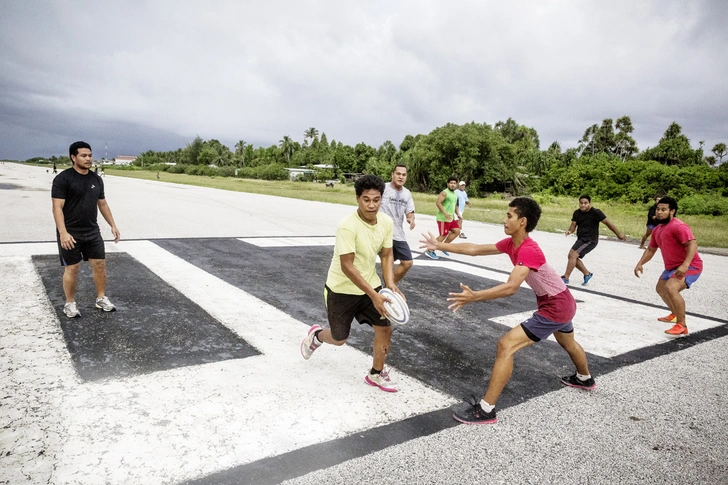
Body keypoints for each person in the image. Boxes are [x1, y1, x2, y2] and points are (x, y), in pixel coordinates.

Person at [420, 197, 595, 424]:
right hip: (562, 301)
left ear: (522, 221)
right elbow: (475, 249)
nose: (504, 219)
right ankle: (584, 378)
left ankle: (486, 410)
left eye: (509, 215)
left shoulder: (529, 249)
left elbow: (511, 287)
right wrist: (440, 245)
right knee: (568, 343)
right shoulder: (512, 243)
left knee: (506, 345)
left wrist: (475, 296)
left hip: (555, 307)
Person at [300, 174, 404, 392]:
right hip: (341, 289)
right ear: (357, 198)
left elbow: (386, 255)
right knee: (339, 339)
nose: (371, 205)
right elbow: (347, 266)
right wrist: (374, 295)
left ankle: (376, 373)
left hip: (371, 285)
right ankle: (317, 336)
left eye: (376, 200)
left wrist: (390, 284)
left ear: (381, 199)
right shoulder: (347, 226)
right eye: (366, 199)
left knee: (385, 329)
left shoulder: (386, 222)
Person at [51, 141, 121, 318]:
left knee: (99, 264)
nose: (88, 158)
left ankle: (101, 299)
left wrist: (113, 225)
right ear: (73, 157)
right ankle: (70, 303)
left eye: (89, 155)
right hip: (70, 232)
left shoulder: (96, 179)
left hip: (92, 231)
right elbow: (57, 208)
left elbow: (102, 203)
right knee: (72, 268)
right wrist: (63, 233)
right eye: (83, 155)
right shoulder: (63, 179)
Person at [633, 196, 702, 337]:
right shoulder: (658, 229)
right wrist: (640, 263)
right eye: (658, 209)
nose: (659, 212)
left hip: (690, 266)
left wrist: (685, 265)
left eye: (664, 210)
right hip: (672, 267)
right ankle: (675, 314)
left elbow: (692, 244)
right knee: (661, 289)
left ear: (672, 211)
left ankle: (682, 325)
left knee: (671, 287)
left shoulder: (678, 226)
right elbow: (651, 249)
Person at [561, 194, 626, 285]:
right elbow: (573, 225)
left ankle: (566, 277)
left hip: (590, 240)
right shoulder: (577, 213)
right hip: (581, 239)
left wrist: (619, 234)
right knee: (571, 257)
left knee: (573, 255)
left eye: (585, 203)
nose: (583, 205)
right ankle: (587, 274)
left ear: (589, 203)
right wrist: (570, 231)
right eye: (581, 203)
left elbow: (608, 223)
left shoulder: (596, 212)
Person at [379, 164, 416, 283]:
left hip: (398, 233)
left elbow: (410, 212)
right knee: (388, 263)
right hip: (382, 232)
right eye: (398, 174)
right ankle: (387, 289)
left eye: (404, 175)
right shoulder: (382, 188)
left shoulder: (407, 193)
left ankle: (388, 286)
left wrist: (411, 219)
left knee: (407, 262)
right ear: (392, 174)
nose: (401, 177)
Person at [424, 176, 461, 260]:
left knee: (457, 231)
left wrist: (458, 214)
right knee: (443, 235)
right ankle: (430, 250)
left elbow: (454, 205)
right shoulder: (444, 192)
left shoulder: (455, 194)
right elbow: (438, 203)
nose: (453, 185)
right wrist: (445, 213)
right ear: (448, 184)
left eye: (454, 183)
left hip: (451, 218)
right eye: (451, 183)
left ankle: (444, 247)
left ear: (456, 185)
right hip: (443, 218)